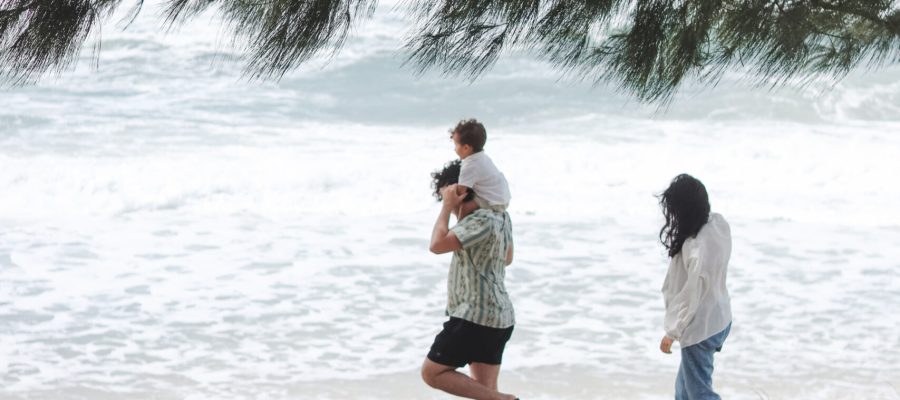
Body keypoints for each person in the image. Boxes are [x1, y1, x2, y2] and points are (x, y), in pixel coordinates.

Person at [421, 159, 518, 400]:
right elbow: (507, 258)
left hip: (475, 315)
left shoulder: (480, 220)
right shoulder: (501, 217)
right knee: (485, 392)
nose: (450, 207)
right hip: (498, 317)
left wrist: (446, 209)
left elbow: (436, 245)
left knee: (432, 373)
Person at [657, 174, 733, 400]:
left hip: (700, 328)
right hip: (721, 317)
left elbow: (691, 296)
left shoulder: (695, 247)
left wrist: (673, 332)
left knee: (699, 393)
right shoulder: (718, 224)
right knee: (684, 390)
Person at [450, 119, 511, 212]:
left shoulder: (469, 166)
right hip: (502, 195)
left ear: (466, 148)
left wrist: (448, 191)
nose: (454, 149)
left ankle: (461, 225)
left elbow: (460, 192)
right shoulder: (481, 156)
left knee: (463, 208)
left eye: (455, 145)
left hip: (493, 200)